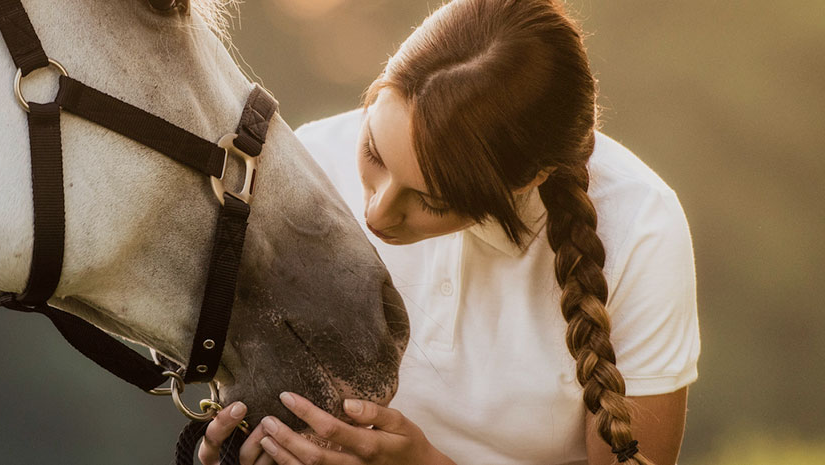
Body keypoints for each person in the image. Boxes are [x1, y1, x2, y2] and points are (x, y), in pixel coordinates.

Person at [198, 0, 700, 463]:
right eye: (373, 150)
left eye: (431, 201)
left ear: (528, 181)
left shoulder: (639, 228)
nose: (376, 214)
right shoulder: (307, 166)